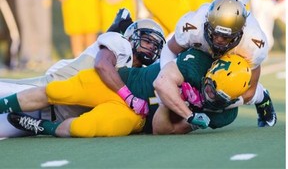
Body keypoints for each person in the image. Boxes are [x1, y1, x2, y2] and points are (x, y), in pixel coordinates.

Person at [5, 50, 250, 137]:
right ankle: (2, 103)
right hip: (122, 83)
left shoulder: (224, 115)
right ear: (210, 72)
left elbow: (161, 128)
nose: (210, 98)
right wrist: (179, 96)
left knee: (84, 129)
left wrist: (183, 108)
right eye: (209, 89)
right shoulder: (198, 61)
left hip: (138, 119)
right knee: (60, 90)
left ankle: (38, 127)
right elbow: (162, 83)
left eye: (218, 99)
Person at [0, 9, 166, 137]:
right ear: (132, 36)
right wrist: (129, 97)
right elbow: (102, 65)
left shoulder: (139, 74)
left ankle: (42, 127)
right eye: (147, 40)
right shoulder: (121, 43)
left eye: (156, 45)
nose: (151, 47)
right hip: (44, 90)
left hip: (52, 117)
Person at [159, 0, 277, 127]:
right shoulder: (194, 26)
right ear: (207, 23)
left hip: (233, 57)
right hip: (202, 52)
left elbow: (249, 91)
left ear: (239, 33)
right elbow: (170, 49)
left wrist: (215, 102)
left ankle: (262, 97)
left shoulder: (252, 42)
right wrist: (169, 79)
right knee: (189, 64)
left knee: (231, 83)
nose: (219, 40)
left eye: (226, 37)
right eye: (215, 33)